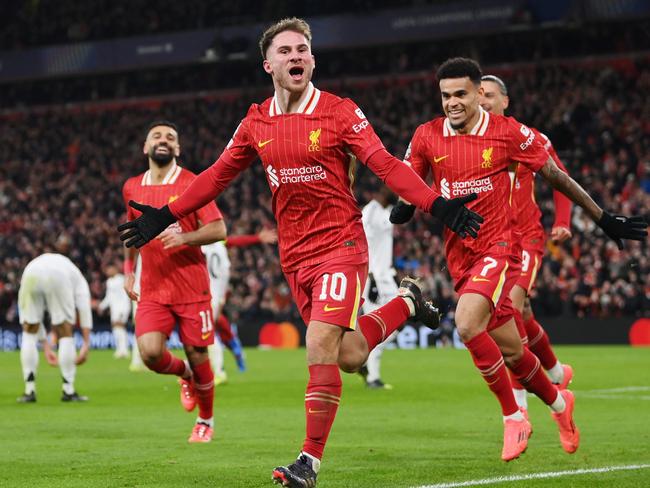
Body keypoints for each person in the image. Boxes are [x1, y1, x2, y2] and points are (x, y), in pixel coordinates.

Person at [117, 18, 482, 487]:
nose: (296, 57)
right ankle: (408, 302)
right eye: (286, 50)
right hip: (295, 256)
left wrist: (437, 204)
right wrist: (164, 214)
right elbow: (214, 175)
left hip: (341, 246)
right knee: (348, 356)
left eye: (303, 50)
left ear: (312, 60)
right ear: (267, 64)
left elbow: (385, 164)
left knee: (317, 345)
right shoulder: (256, 121)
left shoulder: (339, 112)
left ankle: (307, 463)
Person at [390, 57, 647, 461]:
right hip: (460, 255)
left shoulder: (508, 134)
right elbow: (408, 178)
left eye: (461, 94)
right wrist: (404, 205)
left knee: (467, 323)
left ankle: (513, 415)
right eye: (445, 95)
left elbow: (556, 175)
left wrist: (602, 218)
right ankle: (562, 405)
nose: (453, 102)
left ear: (479, 94)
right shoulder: (426, 136)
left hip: (499, 248)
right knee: (512, 350)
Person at [122, 120, 227, 443]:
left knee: (199, 355)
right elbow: (132, 232)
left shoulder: (192, 182)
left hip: (191, 288)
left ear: (178, 149)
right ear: (146, 147)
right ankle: (184, 375)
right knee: (150, 353)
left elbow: (219, 230)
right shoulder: (131, 187)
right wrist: (129, 268)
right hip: (153, 288)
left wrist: (185, 238)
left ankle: (205, 421)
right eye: (156, 135)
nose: (163, 140)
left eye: (170, 137)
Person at [479, 74, 574, 417]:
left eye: (489, 95)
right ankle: (555, 372)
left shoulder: (529, 138)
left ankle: (518, 407)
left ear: (505, 101)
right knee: (522, 313)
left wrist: (562, 222)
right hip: (491, 242)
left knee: (508, 310)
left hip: (526, 240)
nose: (482, 100)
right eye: (479, 95)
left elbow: (561, 179)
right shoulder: (471, 143)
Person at [200, 228, 279, 383]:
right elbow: (236, 241)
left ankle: (218, 371)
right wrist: (257, 238)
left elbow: (235, 241)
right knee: (213, 326)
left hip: (206, 294)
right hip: (218, 294)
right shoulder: (219, 242)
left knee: (205, 332)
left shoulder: (199, 245)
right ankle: (236, 351)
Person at [17, 252, 93, 402]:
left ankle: (29, 390)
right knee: (64, 331)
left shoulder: (47, 263)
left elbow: (34, 320)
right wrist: (86, 343)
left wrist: (45, 345)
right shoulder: (77, 277)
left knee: (29, 330)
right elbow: (84, 307)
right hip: (57, 276)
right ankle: (68, 390)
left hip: (30, 272)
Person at [359, 186, 399, 389]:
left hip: (386, 277)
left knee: (396, 324)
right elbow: (362, 243)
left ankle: (361, 359)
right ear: (384, 191)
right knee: (378, 327)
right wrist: (371, 275)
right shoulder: (370, 211)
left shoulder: (385, 211)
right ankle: (372, 377)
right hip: (373, 279)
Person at [98, 264, 132, 359]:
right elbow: (109, 297)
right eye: (107, 270)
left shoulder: (122, 279)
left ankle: (124, 350)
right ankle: (120, 349)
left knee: (119, 326)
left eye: (110, 269)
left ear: (115, 269)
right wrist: (101, 306)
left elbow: (127, 294)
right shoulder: (109, 282)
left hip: (123, 307)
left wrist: (126, 308)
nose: (108, 271)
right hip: (114, 309)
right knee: (116, 328)